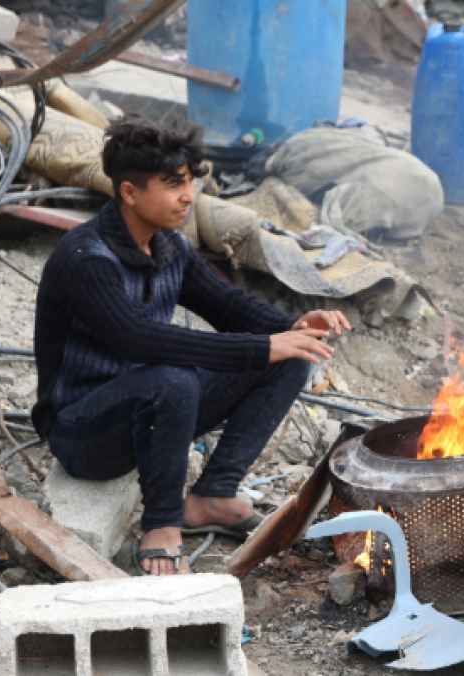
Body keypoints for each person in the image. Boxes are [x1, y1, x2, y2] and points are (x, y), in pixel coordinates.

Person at [32, 116, 351, 576]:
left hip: (154, 408)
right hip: (85, 431)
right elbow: (140, 338)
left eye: (189, 183)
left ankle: (213, 495)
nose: (188, 196)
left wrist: (294, 326)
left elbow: (228, 306)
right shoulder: (85, 260)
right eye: (172, 185)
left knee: (288, 360)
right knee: (175, 375)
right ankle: (162, 525)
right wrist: (261, 347)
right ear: (129, 192)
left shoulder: (169, 248)